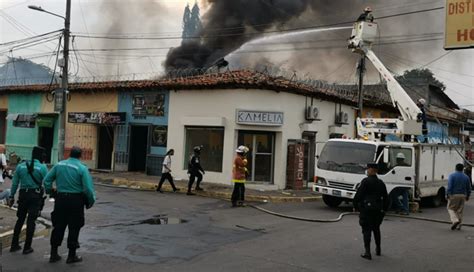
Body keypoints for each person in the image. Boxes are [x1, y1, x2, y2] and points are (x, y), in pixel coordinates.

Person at [43, 146, 96, 264]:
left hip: (61, 200)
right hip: (76, 201)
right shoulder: (82, 168)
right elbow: (88, 189)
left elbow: (47, 180)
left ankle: (53, 253)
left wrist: (51, 192)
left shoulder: (58, 165)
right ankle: (71, 256)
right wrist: (91, 201)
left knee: (58, 226)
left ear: (69, 154)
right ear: (80, 155)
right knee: (74, 227)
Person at [8, 146, 48, 254]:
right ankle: (27, 247)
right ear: (41, 156)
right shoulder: (42, 167)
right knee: (31, 221)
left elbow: (15, 183)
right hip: (35, 196)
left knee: (20, 220)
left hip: (23, 195)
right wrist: (50, 192)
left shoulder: (21, 166)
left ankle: (14, 245)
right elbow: (47, 182)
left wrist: (11, 196)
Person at [353, 163, 389, 260]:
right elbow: (386, 198)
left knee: (366, 230)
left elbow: (358, 196)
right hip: (378, 210)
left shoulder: (365, 182)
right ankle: (378, 249)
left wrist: (355, 206)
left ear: (371, 170)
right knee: (376, 229)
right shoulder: (381, 183)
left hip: (366, 210)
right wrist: (384, 210)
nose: (367, 171)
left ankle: (367, 252)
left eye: (368, 169)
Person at [446, 163, 471, 230]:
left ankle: (455, 221)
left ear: (455, 168)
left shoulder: (452, 176)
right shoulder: (466, 177)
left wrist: (448, 194)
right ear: (463, 169)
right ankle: (459, 225)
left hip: (454, 195)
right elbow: (469, 188)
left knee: (450, 208)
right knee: (460, 210)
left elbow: (450, 186)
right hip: (463, 195)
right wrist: (468, 195)